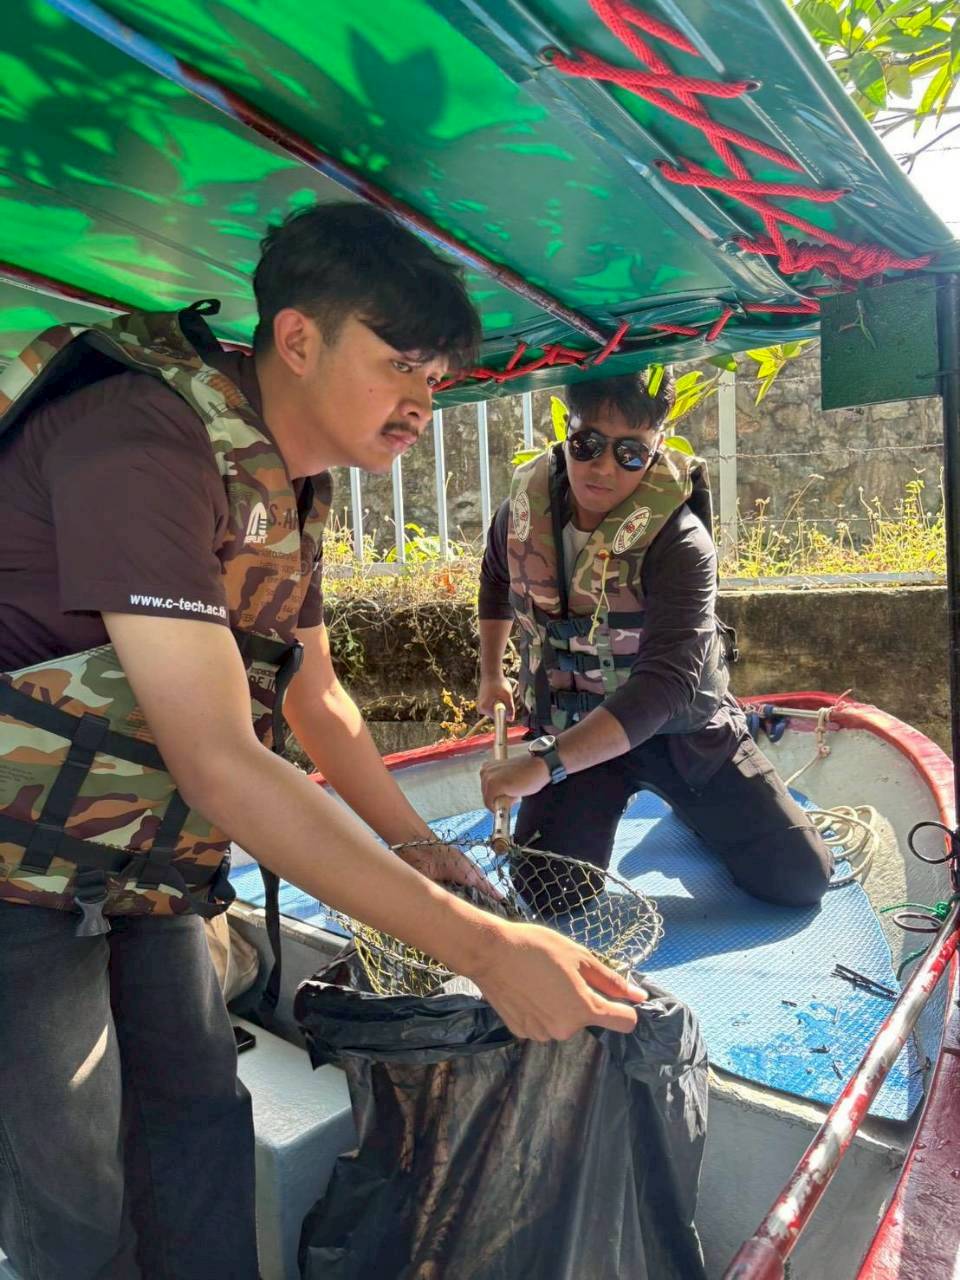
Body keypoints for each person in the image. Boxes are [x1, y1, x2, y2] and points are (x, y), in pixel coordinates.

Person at [0, 202, 646, 1280]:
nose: (423, 403)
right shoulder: (139, 439)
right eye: (401, 366)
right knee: (74, 1192)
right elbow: (218, 757)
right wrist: (485, 950)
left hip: (145, 867)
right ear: (298, 339)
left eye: (436, 378)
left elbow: (314, 691)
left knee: (198, 1123)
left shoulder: (288, 476)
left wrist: (413, 845)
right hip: (17, 876)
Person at [476, 369, 832, 911]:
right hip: (577, 731)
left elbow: (665, 686)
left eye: (629, 453)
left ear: (657, 447)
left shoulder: (682, 542)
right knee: (547, 894)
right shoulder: (522, 516)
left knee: (798, 879)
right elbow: (496, 579)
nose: (603, 467)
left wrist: (543, 764)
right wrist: (491, 674)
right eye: (588, 443)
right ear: (566, 430)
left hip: (683, 735)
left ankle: (694, 812)